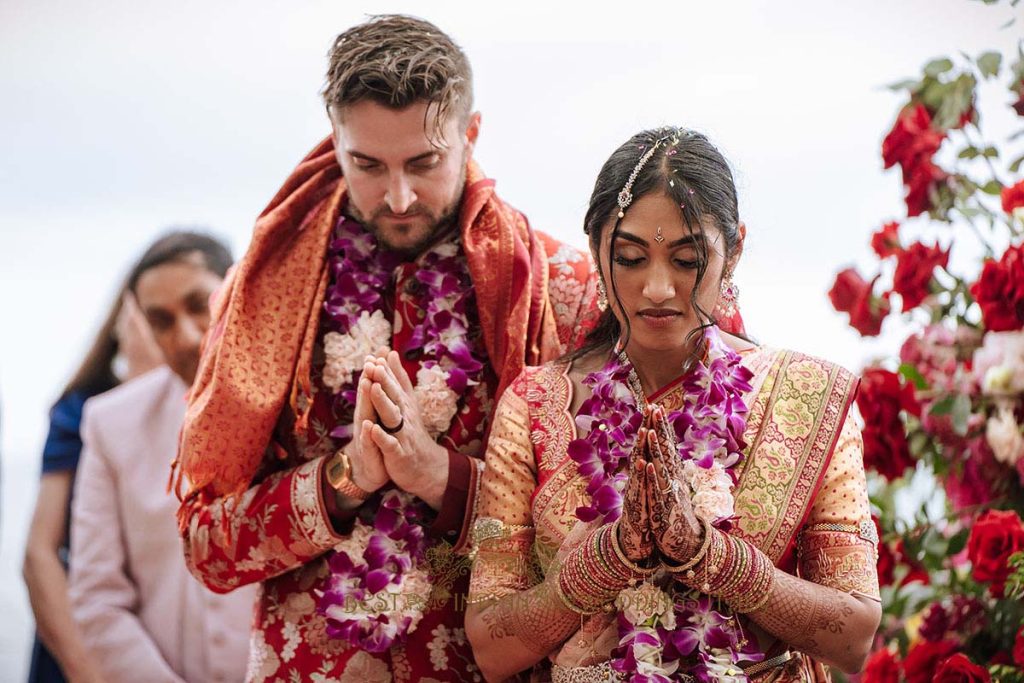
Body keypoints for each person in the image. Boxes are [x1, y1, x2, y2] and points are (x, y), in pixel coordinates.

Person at [172, 14, 599, 682]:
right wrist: (343, 481)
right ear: (335, 141)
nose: (398, 196)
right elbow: (206, 547)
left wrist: (442, 478)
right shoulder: (264, 295)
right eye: (367, 165)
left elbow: (600, 541)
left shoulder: (560, 290)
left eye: (424, 162)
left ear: (471, 134)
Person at [465, 128, 882, 681]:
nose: (657, 288)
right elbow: (492, 649)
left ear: (732, 252)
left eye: (686, 260)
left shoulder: (807, 395)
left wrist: (711, 556)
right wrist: (604, 561)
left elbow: (854, 636)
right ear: (597, 251)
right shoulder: (535, 405)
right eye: (631, 258)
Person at [68, 231, 255, 683]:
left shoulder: (303, 404)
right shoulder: (109, 424)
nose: (186, 336)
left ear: (236, 292)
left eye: (198, 305)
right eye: (162, 320)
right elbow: (97, 597)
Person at [23, 248, 165, 683]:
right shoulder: (83, 410)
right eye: (160, 316)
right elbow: (39, 553)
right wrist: (87, 670)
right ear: (129, 316)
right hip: (85, 641)